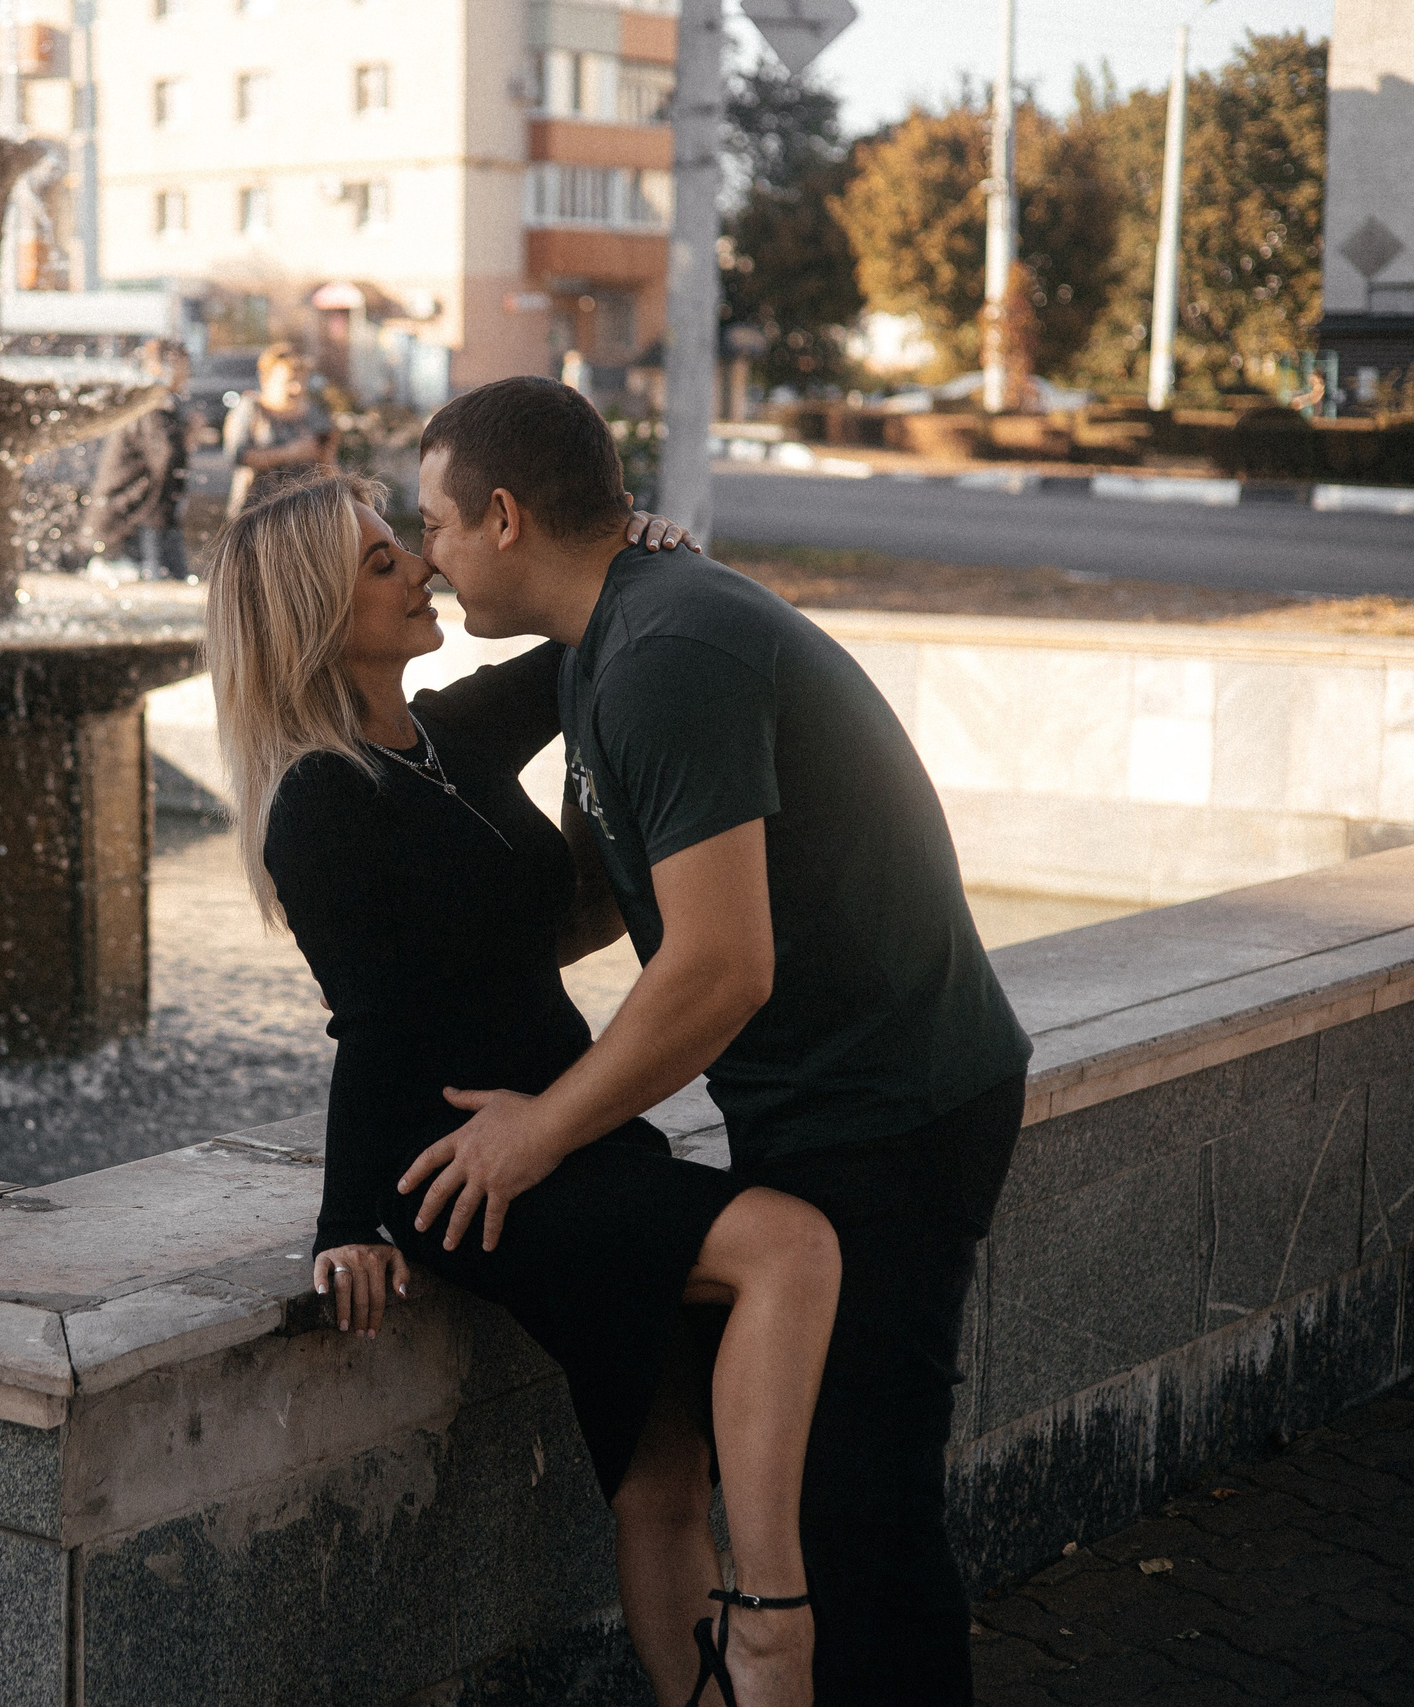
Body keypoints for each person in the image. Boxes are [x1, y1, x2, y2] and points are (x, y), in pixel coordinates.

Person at [404, 377, 1032, 1705]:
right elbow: (609, 897)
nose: (431, 557)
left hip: (894, 1108)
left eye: (438, 525)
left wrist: (536, 1129)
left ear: (505, 517)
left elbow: (717, 968)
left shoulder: (661, 654)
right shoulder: (614, 641)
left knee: (863, 1518)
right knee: (846, 1498)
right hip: (847, 1100)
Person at [206, 470, 842, 1707]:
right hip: (472, 1170)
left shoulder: (442, 733)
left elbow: (577, 640)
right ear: (312, 612)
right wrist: (346, 1221)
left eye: (411, 549)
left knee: (663, 1477)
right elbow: (374, 1030)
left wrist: (633, 550)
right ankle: (773, 1623)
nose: (422, 572)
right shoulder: (321, 802)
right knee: (789, 1248)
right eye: (384, 564)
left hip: (565, 1129)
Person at [83, 338, 202, 582]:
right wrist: (187, 439)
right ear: (161, 368)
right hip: (132, 519)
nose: (187, 373)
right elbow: (166, 458)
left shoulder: (151, 403)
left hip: (139, 515)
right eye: (182, 365)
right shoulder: (151, 405)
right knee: (163, 586)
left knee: (170, 585)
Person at [221, 343, 336, 517]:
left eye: (302, 381)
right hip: (256, 516)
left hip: (301, 516)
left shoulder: (312, 414)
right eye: (290, 380)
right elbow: (237, 455)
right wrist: (291, 452)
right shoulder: (251, 409)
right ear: (265, 379)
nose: (297, 388)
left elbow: (328, 467)